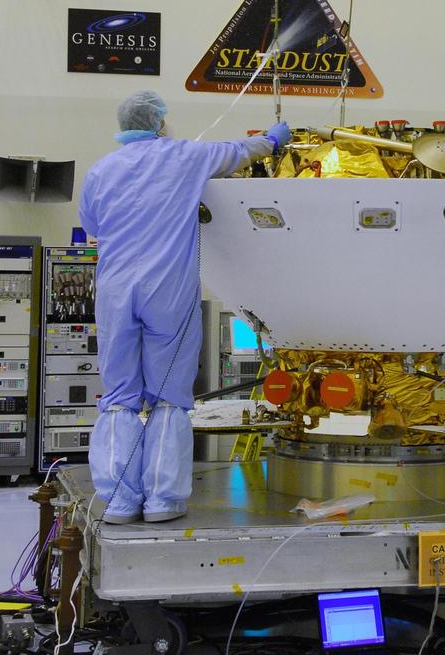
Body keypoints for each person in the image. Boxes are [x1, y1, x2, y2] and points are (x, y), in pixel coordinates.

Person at [79, 90, 291, 524]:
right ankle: (162, 499)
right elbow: (239, 151)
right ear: (159, 122)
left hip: (116, 291)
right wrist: (273, 139)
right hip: (167, 291)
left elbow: (92, 225)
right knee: (168, 396)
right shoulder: (185, 156)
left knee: (118, 396)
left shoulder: (101, 170)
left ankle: (118, 501)